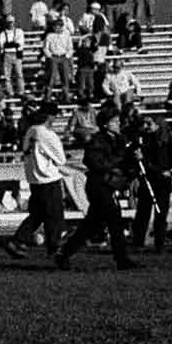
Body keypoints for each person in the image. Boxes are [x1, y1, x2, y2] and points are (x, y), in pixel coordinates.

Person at [55, 105, 138, 271]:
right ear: (105, 124)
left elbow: (125, 162)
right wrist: (120, 158)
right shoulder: (96, 140)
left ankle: (64, 253)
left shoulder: (120, 140)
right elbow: (95, 163)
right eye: (114, 121)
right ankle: (122, 259)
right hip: (98, 185)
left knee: (92, 225)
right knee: (114, 220)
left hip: (109, 185)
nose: (118, 123)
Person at [2, 107, 69, 259]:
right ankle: (54, 248)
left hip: (34, 179)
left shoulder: (30, 131)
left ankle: (17, 240)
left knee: (37, 214)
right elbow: (61, 159)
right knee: (53, 214)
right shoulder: (48, 134)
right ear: (49, 118)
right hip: (48, 178)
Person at [128, 117, 172, 254]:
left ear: (158, 125)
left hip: (161, 181)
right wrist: (135, 158)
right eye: (145, 123)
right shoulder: (142, 139)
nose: (146, 126)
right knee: (143, 213)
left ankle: (159, 244)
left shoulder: (168, 140)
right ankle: (138, 243)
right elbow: (132, 154)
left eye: (150, 123)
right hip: (146, 179)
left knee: (160, 213)